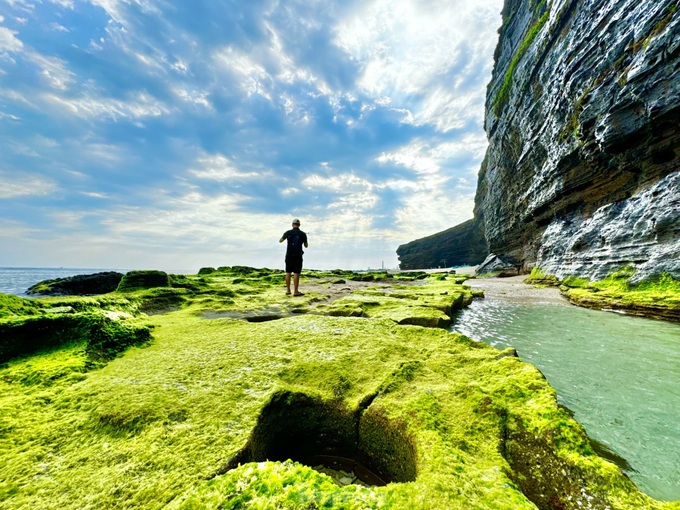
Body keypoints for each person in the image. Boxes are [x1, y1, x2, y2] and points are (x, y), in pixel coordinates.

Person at [279, 218, 308, 296]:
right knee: (296, 273)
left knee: (288, 272)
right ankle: (296, 291)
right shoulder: (303, 234)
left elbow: (280, 240)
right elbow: (306, 246)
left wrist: (285, 237)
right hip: (298, 255)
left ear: (292, 225)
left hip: (289, 255)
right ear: (299, 225)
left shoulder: (288, 232)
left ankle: (288, 290)